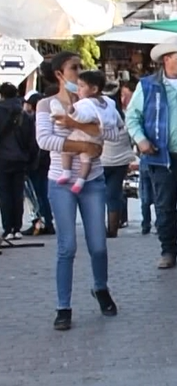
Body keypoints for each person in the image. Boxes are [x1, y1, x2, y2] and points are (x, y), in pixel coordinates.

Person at [36, 51, 121, 330]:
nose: (80, 71)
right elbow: (44, 140)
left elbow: (112, 133)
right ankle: (63, 306)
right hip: (60, 181)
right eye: (74, 67)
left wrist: (81, 126)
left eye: (81, 66)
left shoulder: (95, 102)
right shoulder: (47, 104)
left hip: (92, 179)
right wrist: (83, 145)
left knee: (98, 244)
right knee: (67, 247)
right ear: (59, 74)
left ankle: (101, 288)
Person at [125, 36, 177, 272]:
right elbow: (132, 117)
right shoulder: (148, 85)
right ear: (166, 59)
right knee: (164, 208)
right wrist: (141, 140)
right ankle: (168, 251)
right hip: (160, 157)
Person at [53, 71, 112, 194]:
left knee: (66, 151)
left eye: (81, 86)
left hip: (81, 135)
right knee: (86, 159)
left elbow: (83, 117)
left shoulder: (87, 103)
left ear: (94, 89)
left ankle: (66, 172)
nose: (78, 89)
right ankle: (80, 181)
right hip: (95, 140)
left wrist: (72, 112)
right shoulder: (104, 102)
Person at [101, 80, 135, 239]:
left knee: (98, 195)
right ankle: (113, 229)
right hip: (120, 162)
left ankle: (100, 227)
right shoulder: (125, 117)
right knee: (114, 194)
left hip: (101, 161)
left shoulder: (99, 116)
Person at [0, 83, 33, 239]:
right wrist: (29, 158)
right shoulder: (24, 114)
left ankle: (7, 228)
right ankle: (17, 228)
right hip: (20, 159)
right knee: (18, 194)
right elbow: (30, 139)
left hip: (2, 158)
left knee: (5, 194)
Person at [121, 80, 151, 233]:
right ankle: (146, 223)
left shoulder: (144, 111)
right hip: (141, 158)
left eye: (126, 95)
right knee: (144, 195)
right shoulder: (123, 113)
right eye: (122, 95)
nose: (123, 99)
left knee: (158, 195)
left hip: (148, 156)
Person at [21, 89, 53, 236]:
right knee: (43, 193)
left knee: (36, 193)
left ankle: (41, 222)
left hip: (36, 162)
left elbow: (32, 143)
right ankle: (47, 221)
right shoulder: (46, 118)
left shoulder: (31, 121)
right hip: (45, 161)